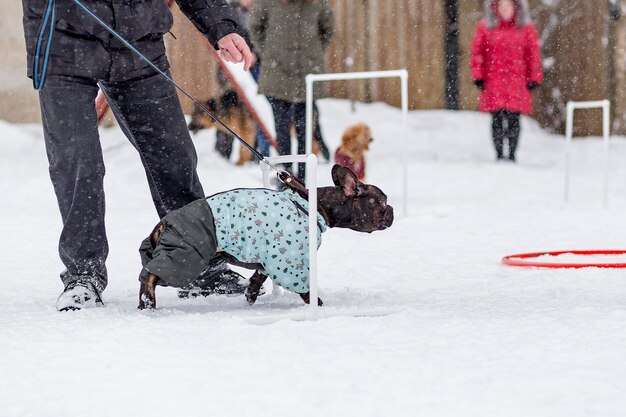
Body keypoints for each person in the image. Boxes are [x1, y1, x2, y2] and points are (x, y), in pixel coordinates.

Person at [22, 0, 253, 311]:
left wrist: (222, 27)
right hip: (64, 44)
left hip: (138, 42)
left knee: (175, 155)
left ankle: (196, 265)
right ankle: (83, 274)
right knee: (79, 162)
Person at [250, 0, 334, 181]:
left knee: (305, 130)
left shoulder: (318, 3)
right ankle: (286, 176)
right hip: (278, 74)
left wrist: (314, 53)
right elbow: (255, 27)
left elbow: (327, 29)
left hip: (308, 74)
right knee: (282, 129)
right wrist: (270, 52)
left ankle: (304, 178)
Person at [470, 0, 542, 162]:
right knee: (497, 119)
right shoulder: (485, 28)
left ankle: (512, 154)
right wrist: (478, 76)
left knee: (513, 120)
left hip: (517, 82)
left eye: (508, 6)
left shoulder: (526, 29)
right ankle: (499, 154)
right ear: (495, 8)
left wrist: (534, 77)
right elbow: (477, 53)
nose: (505, 9)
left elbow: (533, 55)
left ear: (516, 7)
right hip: (494, 82)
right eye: (501, 6)